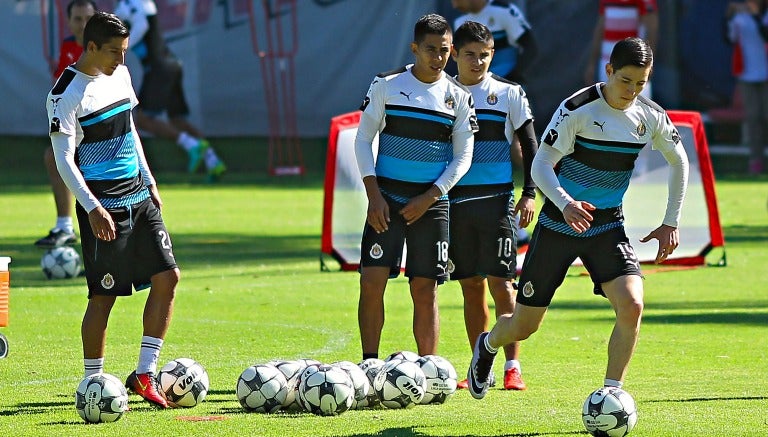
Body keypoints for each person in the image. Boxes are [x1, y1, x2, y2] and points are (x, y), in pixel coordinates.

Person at [467, 37, 689, 400]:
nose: (631, 91)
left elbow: (680, 161)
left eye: (640, 83)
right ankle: (489, 344)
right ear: (609, 71)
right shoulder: (578, 108)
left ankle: (611, 395)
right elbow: (540, 165)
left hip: (606, 226)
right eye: (625, 81)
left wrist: (670, 221)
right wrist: (567, 203)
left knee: (632, 305)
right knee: (524, 326)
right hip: (558, 223)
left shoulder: (650, 116)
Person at [46, 11, 180, 409]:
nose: (121, 61)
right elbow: (64, 159)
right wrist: (91, 208)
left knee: (168, 277)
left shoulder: (119, 75)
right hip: (104, 207)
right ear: (90, 47)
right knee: (103, 297)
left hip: (139, 197)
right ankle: (92, 384)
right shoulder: (65, 93)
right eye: (113, 52)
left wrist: (149, 178)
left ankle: (144, 373)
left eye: (123, 52)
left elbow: (130, 128)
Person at [354, 13, 478, 359]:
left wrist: (431, 196)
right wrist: (374, 195)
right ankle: (369, 365)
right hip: (386, 200)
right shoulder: (386, 85)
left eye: (444, 50)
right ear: (414, 48)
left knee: (425, 289)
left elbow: (464, 154)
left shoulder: (459, 96)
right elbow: (363, 140)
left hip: (432, 203)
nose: (438, 58)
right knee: (371, 281)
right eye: (430, 50)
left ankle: (427, 370)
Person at [449, 21, 537, 391]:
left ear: (492, 55)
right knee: (470, 284)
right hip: (453, 203)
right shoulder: (441, 91)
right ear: (454, 53)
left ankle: (512, 365)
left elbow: (531, 145)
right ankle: (478, 364)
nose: (477, 62)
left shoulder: (508, 92)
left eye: (484, 56)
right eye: (470, 55)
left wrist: (529, 192)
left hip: (497, 202)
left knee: (502, 284)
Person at [114, 0, 226, 183]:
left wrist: (121, 48)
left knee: (143, 119)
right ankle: (214, 161)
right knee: (177, 120)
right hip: (171, 65)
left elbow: (142, 25)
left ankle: (192, 146)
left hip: (159, 68)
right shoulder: (124, 7)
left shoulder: (139, 4)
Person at [35, 0, 98, 249]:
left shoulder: (103, 49)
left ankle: (107, 239)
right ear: (69, 22)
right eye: (77, 19)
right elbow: (62, 91)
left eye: (88, 19)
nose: (83, 25)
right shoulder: (68, 47)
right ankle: (65, 226)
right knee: (53, 157)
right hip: (78, 124)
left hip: (102, 123)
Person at [725, 0, 768, 174]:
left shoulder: (764, 16)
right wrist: (729, 16)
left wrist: (756, 15)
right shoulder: (739, 18)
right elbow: (729, 38)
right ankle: (756, 160)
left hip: (766, 75)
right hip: (746, 75)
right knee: (753, 118)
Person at [451, 0, 538, 84]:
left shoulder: (504, 11)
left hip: (508, 87)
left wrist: (512, 77)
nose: (454, 6)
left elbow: (531, 48)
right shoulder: (459, 23)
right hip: (478, 88)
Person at [584, 0, 658, 98]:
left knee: (636, 110)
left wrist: (647, 65)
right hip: (607, 64)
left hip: (634, 67)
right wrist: (592, 63)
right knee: (607, 108)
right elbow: (601, 26)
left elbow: (652, 28)